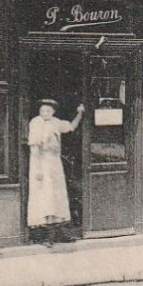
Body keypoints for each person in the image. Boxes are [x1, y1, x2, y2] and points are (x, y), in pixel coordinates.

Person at [27, 98, 84, 246]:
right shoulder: (36, 123)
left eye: (48, 110)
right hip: (41, 163)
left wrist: (79, 114)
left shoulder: (56, 122)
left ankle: (58, 233)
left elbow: (71, 127)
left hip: (54, 163)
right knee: (45, 198)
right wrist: (38, 170)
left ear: (53, 112)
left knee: (57, 196)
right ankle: (45, 236)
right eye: (43, 110)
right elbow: (34, 147)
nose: (45, 113)